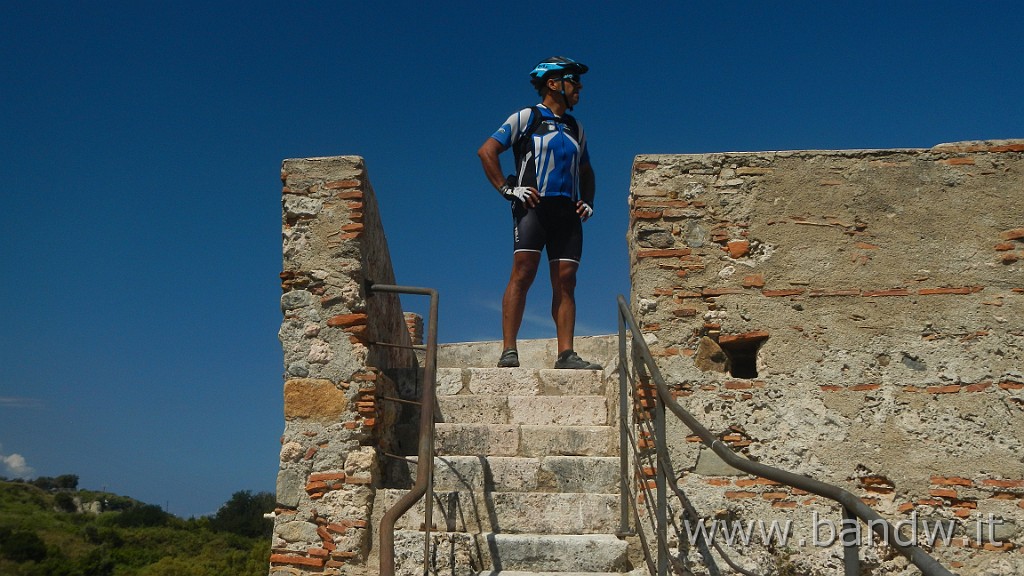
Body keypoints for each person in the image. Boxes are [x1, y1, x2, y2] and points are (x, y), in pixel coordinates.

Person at [477, 56, 601, 370]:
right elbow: (487, 150)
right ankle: (508, 350)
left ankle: (566, 354)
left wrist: (588, 200)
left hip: (566, 212)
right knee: (523, 272)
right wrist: (507, 189)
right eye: (574, 79)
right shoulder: (527, 117)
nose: (580, 87)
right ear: (553, 83)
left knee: (566, 280)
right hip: (533, 206)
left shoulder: (576, 127)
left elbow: (586, 170)